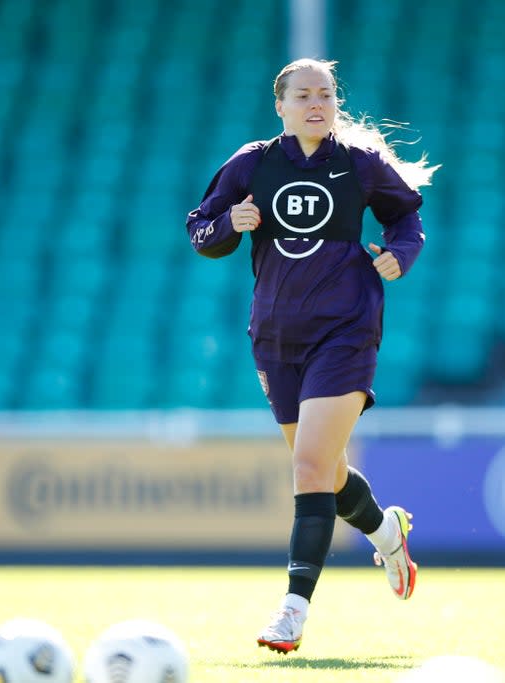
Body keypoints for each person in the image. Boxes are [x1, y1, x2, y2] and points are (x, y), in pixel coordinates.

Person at [185, 58, 437, 654]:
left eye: (325, 94)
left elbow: (408, 216)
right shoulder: (252, 163)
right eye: (303, 95)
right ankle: (387, 530)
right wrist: (231, 221)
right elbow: (200, 229)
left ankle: (292, 611)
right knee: (325, 467)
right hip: (275, 337)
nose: (316, 104)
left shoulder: (358, 162)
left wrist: (401, 253)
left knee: (307, 469)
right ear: (281, 105)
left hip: (347, 330)